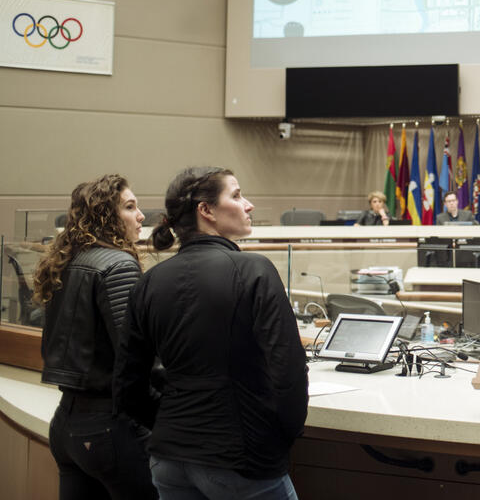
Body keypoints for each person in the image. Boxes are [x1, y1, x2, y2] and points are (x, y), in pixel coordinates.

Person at [114, 167, 308, 500]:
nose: (248, 205)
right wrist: (281, 437)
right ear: (206, 211)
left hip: (169, 458)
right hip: (240, 459)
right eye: (235, 195)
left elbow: (127, 386)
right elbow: (288, 372)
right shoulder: (255, 270)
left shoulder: (149, 281)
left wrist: (173, 422)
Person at [33, 174, 158, 500]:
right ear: (106, 216)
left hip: (66, 425)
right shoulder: (118, 264)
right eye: (130, 207)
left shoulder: (66, 260)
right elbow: (135, 355)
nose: (141, 216)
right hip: (109, 428)